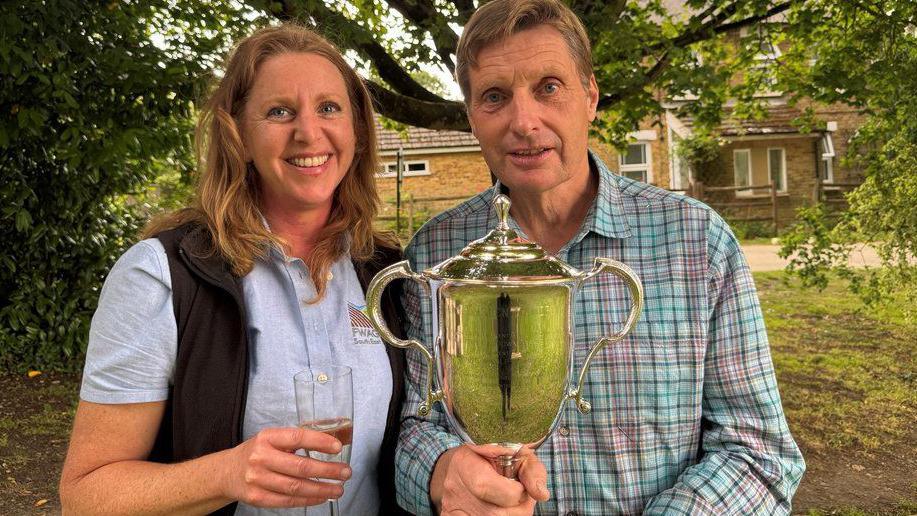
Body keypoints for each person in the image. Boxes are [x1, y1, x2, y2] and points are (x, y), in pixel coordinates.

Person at [393, 0, 806, 514]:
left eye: (548, 87)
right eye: (495, 96)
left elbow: (758, 452)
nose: (524, 121)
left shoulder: (698, 243)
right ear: (472, 115)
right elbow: (413, 430)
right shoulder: (435, 251)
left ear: (589, 96)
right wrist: (441, 473)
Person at [59, 24, 408, 515]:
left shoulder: (389, 276)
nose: (309, 132)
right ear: (239, 136)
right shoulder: (163, 276)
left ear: (356, 131)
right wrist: (224, 474)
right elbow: (85, 495)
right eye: (279, 112)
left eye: (329, 108)